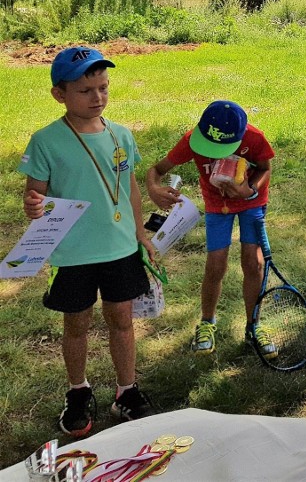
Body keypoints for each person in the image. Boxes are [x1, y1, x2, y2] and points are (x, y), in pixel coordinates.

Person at [18, 46, 155, 437]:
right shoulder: (46, 140)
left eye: (103, 88)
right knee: (76, 324)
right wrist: (33, 207)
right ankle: (78, 391)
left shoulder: (121, 136)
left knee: (122, 320)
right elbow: (35, 196)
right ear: (59, 94)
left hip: (120, 249)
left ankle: (126, 390)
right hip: (74, 253)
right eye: (85, 90)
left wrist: (139, 232)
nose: (97, 97)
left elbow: (128, 187)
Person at [146, 100, 275, 357]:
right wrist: (154, 189)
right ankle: (207, 323)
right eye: (210, 147)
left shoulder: (254, 137)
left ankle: (253, 325)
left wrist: (249, 190)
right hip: (218, 206)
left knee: (254, 263)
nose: (215, 153)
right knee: (216, 263)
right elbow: (156, 170)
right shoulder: (192, 140)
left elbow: (265, 169)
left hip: (251, 203)